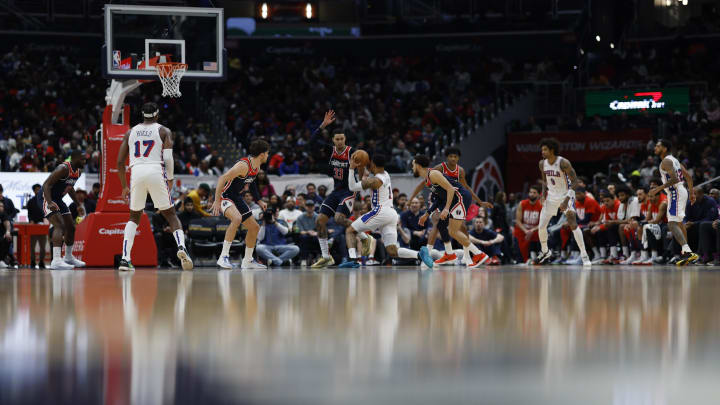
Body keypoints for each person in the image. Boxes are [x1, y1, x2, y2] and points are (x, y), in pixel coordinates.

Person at [117, 102, 193, 272]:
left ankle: (125, 258)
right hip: (155, 170)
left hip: (136, 171)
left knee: (134, 217)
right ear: (157, 115)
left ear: (142, 115)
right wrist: (171, 178)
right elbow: (168, 158)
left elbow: (120, 162)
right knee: (171, 214)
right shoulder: (163, 131)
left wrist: (124, 186)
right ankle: (181, 247)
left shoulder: (130, 132)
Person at [339, 154, 435, 268]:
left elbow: (352, 187)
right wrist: (362, 168)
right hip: (391, 214)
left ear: (373, 164)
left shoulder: (376, 180)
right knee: (392, 251)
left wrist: (351, 168)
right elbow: (367, 177)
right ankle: (419, 254)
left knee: (350, 230)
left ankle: (353, 260)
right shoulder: (385, 174)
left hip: (381, 211)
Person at [409, 147, 492, 264]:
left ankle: (478, 254)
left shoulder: (434, 174)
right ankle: (449, 254)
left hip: (459, 198)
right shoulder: (429, 178)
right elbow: (439, 198)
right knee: (442, 225)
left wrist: (446, 209)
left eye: (413, 165)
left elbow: (451, 189)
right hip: (453, 200)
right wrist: (427, 214)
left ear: (417, 165)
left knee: (454, 231)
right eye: (450, 156)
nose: (412, 168)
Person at [211, 139, 270, 270]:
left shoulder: (257, 166)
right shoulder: (243, 165)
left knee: (254, 227)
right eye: (267, 153)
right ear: (261, 154)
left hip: (235, 196)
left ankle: (248, 260)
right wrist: (216, 200)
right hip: (224, 195)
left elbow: (252, 182)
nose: (268, 156)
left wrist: (259, 200)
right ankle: (223, 257)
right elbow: (222, 178)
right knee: (237, 219)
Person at [312, 110, 360, 268]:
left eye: (342, 139)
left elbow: (364, 164)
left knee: (339, 219)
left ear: (345, 139)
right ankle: (326, 256)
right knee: (319, 221)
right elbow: (311, 143)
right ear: (333, 140)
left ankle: (365, 238)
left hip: (349, 191)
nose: (340, 141)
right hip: (336, 191)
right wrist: (322, 126)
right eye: (337, 139)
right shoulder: (330, 151)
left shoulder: (352, 152)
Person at [535, 138, 591, 266]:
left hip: (566, 194)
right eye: (541, 149)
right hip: (551, 197)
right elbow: (544, 180)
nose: (542, 152)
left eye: (545, 149)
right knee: (541, 226)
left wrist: (566, 201)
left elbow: (576, 182)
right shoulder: (542, 164)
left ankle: (584, 255)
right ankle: (545, 251)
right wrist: (543, 194)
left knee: (572, 222)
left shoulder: (563, 162)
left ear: (552, 150)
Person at [649, 139, 698, 265]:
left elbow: (675, 179)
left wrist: (657, 189)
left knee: (672, 224)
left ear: (664, 149)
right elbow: (688, 176)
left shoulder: (666, 161)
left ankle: (688, 252)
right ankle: (687, 254)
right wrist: (691, 193)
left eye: (658, 146)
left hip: (675, 192)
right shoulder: (674, 160)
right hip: (680, 191)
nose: (655, 148)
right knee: (680, 223)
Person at [38, 150, 87, 269]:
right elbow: (46, 185)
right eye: (82, 159)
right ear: (75, 158)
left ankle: (68, 258)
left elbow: (70, 188)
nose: (85, 161)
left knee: (71, 227)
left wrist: (78, 204)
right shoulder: (63, 168)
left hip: (58, 199)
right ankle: (56, 260)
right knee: (59, 226)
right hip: (46, 197)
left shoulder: (78, 172)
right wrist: (49, 202)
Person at [513, 185, 542, 263]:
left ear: (539, 195)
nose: (531, 194)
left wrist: (532, 230)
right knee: (516, 232)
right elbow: (518, 221)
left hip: (535, 230)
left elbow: (543, 223)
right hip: (523, 229)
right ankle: (520, 258)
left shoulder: (541, 205)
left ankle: (535, 256)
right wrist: (526, 231)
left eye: (534, 193)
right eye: (530, 192)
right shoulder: (522, 204)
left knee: (542, 232)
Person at [26, 183, 47, 269]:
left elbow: (47, 212)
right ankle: (33, 261)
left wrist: (46, 220)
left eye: (39, 189)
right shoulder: (30, 201)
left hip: (42, 226)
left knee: (43, 246)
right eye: (36, 189)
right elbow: (29, 214)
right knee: (32, 246)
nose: (38, 191)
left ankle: (41, 261)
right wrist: (31, 220)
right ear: (34, 191)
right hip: (33, 226)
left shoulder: (45, 201)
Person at [297, 200, 319, 264]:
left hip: (315, 235)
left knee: (319, 237)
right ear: (305, 207)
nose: (310, 208)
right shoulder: (300, 217)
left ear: (314, 207)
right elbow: (300, 231)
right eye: (308, 206)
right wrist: (308, 232)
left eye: (311, 206)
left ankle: (318, 257)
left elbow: (321, 229)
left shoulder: (318, 217)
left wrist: (315, 233)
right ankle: (304, 258)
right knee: (303, 237)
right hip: (305, 234)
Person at [0, 204, 12, 268]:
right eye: (0, 206)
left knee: (8, 238)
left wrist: (8, 232)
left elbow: (7, 223)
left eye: (2, 206)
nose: (1, 207)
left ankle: (1, 260)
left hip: (1, 236)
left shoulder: (3, 214)